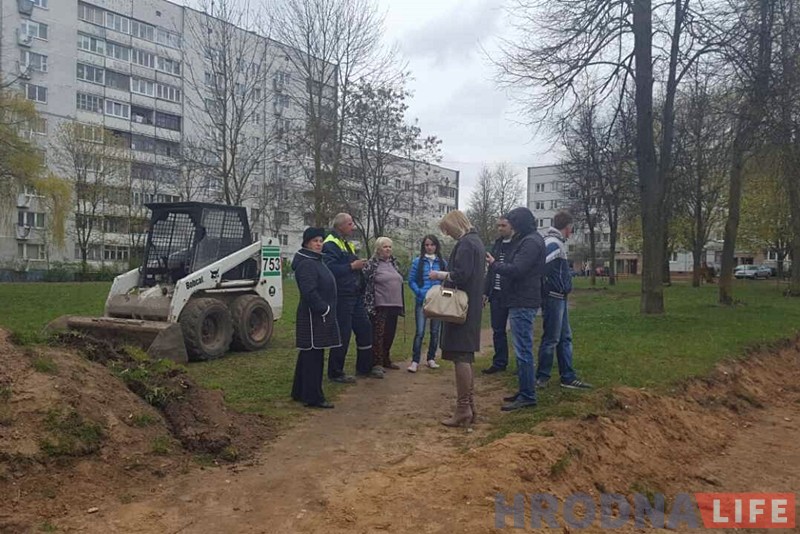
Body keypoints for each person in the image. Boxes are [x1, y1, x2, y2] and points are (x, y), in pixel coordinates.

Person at [429, 210, 485, 427]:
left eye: (448, 230)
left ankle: (463, 408)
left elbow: (461, 274)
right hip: (469, 307)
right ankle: (469, 406)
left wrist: (440, 275)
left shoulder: (466, 244)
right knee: (465, 356)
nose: (448, 235)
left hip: (460, 309)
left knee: (461, 356)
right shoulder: (476, 242)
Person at [486, 207, 545, 412]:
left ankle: (528, 395)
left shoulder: (530, 242)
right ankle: (524, 390)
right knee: (522, 348)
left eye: (512, 222)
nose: (510, 226)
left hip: (522, 301)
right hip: (520, 299)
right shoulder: (529, 240)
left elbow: (517, 270)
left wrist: (494, 264)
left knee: (523, 350)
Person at [323, 213, 383, 381]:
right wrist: (352, 266)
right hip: (342, 296)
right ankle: (335, 372)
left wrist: (358, 266)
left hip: (355, 295)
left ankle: (364, 368)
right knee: (343, 334)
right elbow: (330, 270)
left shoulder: (345, 243)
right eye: (350, 224)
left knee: (365, 328)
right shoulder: (330, 244)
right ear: (340, 226)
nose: (353, 227)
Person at [536, 211, 592, 390]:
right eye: (571, 228)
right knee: (552, 338)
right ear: (567, 227)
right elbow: (541, 266)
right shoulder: (553, 242)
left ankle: (567, 376)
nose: (571, 232)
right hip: (554, 297)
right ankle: (541, 378)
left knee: (564, 337)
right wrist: (551, 286)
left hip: (559, 297)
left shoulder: (556, 241)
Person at [291, 227, 340, 409]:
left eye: (320, 240)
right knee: (313, 357)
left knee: (308, 354)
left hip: (319, 315)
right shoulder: (306, 263)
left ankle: (299, 392)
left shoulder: (315, 260)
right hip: (313, 316)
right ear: (306, 243)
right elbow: (309, 291)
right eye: (315, 241)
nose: (319, 244)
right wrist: (324, 309)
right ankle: (314, 397)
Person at [363, 237, 405, 371]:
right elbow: (365, 281)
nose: (388, 249)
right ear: (378, 249)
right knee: (378, 334)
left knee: (390, 334)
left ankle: (386, 359)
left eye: (389, 247)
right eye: (385, 247)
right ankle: (377, 363)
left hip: (395, 304)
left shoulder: (394, 263)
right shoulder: (372, 264)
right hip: (380, 304)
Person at [407, 234, 446, 373]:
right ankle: (415, 361)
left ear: (436, 246)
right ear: (424, 247)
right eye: (427, 245)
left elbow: (446, 280)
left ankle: (431, 358)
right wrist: (419, 293)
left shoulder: (442, 262)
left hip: (437, 302)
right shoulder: (418, 262)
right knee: (420, 332)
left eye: (432, 245)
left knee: (435, 332)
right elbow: (410, 280)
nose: (429, 247)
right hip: (422, 301)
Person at [481, 217, 513, 375]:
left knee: (518, 331)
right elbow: (491, 270)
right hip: (497, 294)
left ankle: (522, 365)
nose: (500, 228)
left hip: (513, 294)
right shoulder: (497, 245)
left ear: (511, 226)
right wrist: (486, 292)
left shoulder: (518, 244)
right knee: (498, 330)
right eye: (498, 225)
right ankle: (500, 362)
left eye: (503, 225)